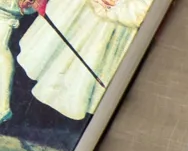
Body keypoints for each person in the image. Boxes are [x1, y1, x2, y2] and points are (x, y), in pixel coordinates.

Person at [17, 0, 152, 120]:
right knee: (46, 56)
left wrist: (114, 4)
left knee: (80, 79)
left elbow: (144, 11)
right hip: (73, 12)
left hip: (109, 24)